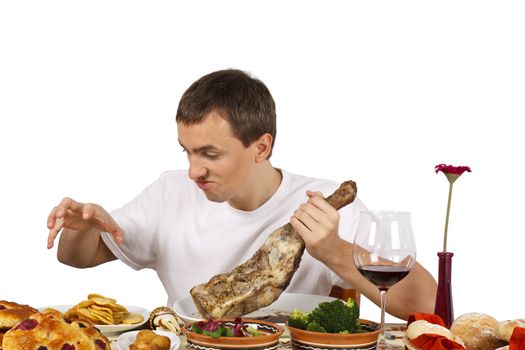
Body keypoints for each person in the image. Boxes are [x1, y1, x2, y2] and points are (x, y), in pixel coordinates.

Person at [47, 69, 437, 320]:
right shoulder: (170, 192)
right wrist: (82, 226)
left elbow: (429, 306)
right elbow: (74, 258)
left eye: (210, 154)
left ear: (261, 148)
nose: (193, 170)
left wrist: (333, 250)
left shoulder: (321, 205)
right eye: (187, 150)